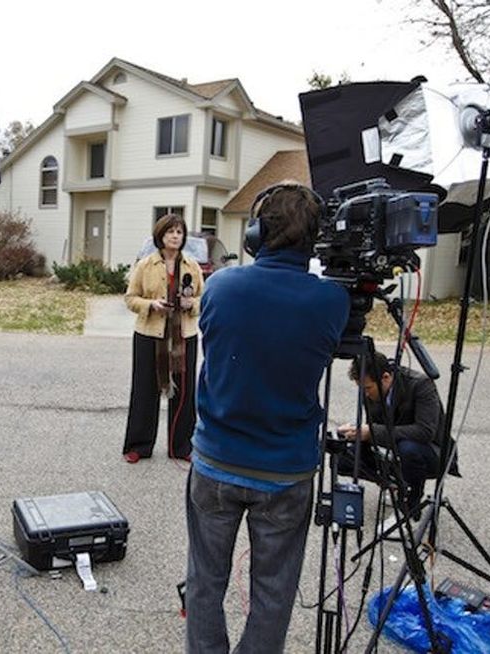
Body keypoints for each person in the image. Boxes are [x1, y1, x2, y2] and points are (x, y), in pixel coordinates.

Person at [184, 183, 349, 653]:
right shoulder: (332, 302)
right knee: (274, 592)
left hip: (216, 462)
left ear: (257, 233)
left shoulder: (220, 286)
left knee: (204, 583)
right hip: (286, 471)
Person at [121, 213, 204, 463]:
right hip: (150, 335)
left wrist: (192, 304)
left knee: (185, 393)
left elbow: (204, 298)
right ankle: (138, 446)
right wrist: (151, 304)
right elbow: (130, 298)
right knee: (145, 389)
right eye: (171, 232)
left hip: (183, 335)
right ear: (160, 235)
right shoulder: (145, 265)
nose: (175, 236)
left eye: (179, 232)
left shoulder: (192, 265)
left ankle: (181, 447)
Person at [336, 350, 449, 512]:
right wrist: (355, 433)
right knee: (343, 456)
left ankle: (412, 499)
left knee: (408, 448)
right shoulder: (369, 392)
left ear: (386, 378)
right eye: (361, 389)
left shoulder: (421, 384)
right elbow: (374, 427)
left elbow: (425, 432)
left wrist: (372, 432)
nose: (365, 394)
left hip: (431, 450)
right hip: (392, 446)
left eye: (368, 388)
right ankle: (394, 484)